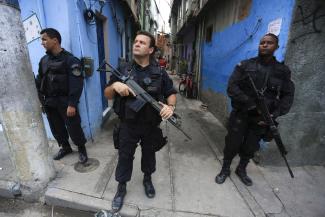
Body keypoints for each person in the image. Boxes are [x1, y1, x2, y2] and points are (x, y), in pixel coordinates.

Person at [104, 31, 177, 211]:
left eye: (142, 42)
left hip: (151, 125)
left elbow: (171, 93)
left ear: (151, 49)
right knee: (124, 157)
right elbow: (107, 93)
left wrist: (171, 107)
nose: (136, 44)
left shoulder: (160, 72)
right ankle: (121, 188)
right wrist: (115, 85)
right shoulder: (123, 69)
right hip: (128, 124)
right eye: (135, 41)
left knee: (149, 155)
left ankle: (147, 179)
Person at [215, 33, 295, 186]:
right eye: (262, 42)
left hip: (262, 119)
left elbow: (288, 95)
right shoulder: (245, 66)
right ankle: (225, 169)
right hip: (241, 114)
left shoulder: (282, 71)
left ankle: (241, 169)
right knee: (232, 143)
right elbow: (232, 87)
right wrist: (251, 104)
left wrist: (274, 114)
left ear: (276, 47)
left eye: (269, 43)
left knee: (251, 146)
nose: (264, 45)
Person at [35, 28, 88, 164]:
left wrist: (72, 104)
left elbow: (77, 83)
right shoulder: (43, 60)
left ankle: (81, 148)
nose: (42, 43)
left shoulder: (70, 60)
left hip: (65, 101)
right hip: (50, 101)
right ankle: (65, 147)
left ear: (55, 40)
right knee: (56, 127)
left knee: (73, 126)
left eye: (44, 39)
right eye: (42, 40)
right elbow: (40, 80)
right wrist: (41, 100)